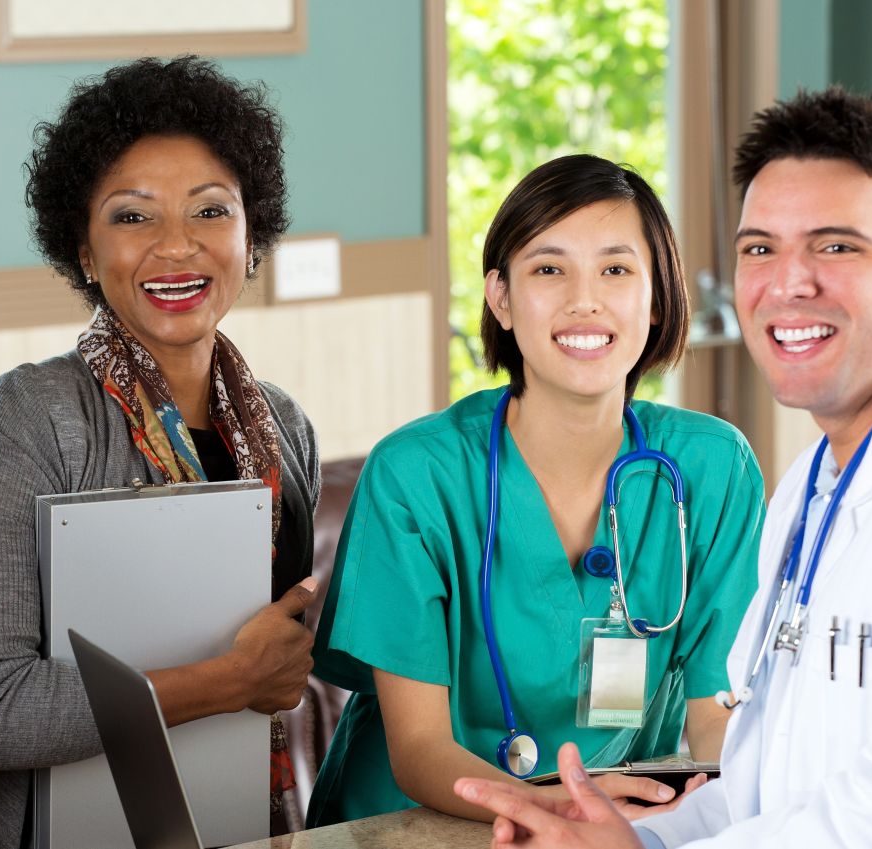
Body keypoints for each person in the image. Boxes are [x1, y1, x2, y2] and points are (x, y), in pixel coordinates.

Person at [454, 87, 872, 848]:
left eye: (835, 246)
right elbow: (764, 784)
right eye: (759, 248)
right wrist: (636, 838)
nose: (787, 284)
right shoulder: (812, 483)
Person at [0, 55, 321, 846]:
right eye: (133, 217)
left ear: (252, 237)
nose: (177, 247)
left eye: (211, 211)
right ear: (81, 249)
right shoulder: (28, 418)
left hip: (243, 823)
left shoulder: (281, 426)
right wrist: (227, 682)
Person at [307, 154, 764, 827]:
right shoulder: (415, 473)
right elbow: (417, 747)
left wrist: (738, 814)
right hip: (413, 824)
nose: (585, 299)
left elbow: (715, 714)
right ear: (500, 298)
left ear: (656, 296)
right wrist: (554, 805)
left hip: (605, 825)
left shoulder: (713, 467)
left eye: (616, 269)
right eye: (548, 269)